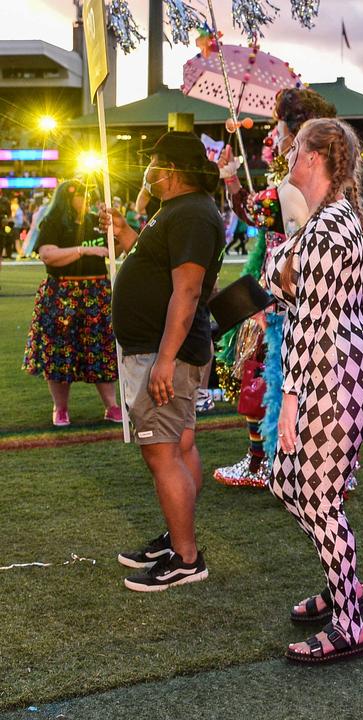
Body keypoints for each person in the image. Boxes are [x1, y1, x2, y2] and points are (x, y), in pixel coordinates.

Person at [265, 117, 363, 663]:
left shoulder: (327, 227)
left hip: (332, 375)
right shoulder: (331, 222)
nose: (287, 156)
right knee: (288, 482)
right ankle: (345, 587)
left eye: (294, 149)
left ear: (313, 157)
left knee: (316, 495)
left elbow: (311, 321)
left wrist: (291, 399)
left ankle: (348, 623)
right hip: (338, 368)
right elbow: (298, 296)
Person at [104, 131, 225, 592]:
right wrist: (127, 234)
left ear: (171, 171)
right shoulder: (177, 212)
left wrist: (164, 359)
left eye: (153, 163)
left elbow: (189, 289)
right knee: (179, 446)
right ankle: (179, 540)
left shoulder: (192, 212)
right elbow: (162, 267)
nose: (148, 171)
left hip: (165, 352)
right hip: (162, 348)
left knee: (161, 451)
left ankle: (186, 557)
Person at [213, 87, 334, 489]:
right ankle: (328, 468)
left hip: (286, 296)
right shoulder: (330, 176)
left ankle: (261, 462)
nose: (274, 137)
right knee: (317, 381)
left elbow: (255, 210)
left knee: (264, 374)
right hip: (318, 294)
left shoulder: (296, 184)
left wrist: (230, 177)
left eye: (278, 127)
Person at [22, 179, 121, 426]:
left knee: (100, 349)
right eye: (82, 196)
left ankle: (112, 405)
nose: (87, 200)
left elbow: (114, 250)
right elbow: (47, 255)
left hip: (96, 291)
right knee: (59, 351)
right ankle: (61, 408)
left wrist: (117, 232)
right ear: (69, 197)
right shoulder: (53, 222)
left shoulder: (95, 222)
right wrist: (84, 251)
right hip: (63, 291)